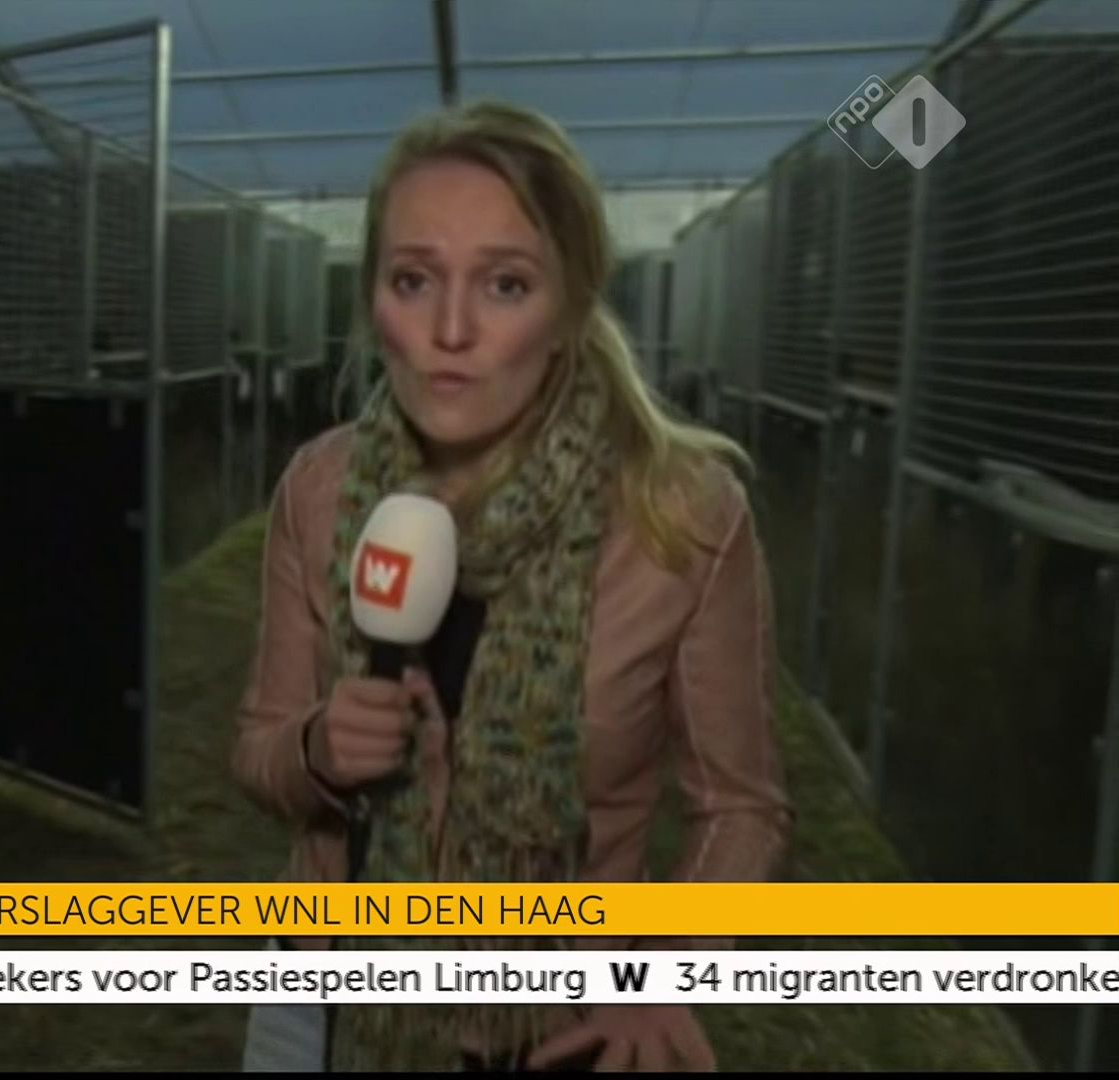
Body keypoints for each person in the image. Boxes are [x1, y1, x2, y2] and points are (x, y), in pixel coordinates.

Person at [231, 100, 792, 1072]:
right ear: (373, 298)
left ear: (569, 306)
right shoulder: (319, 492)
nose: (450, 330)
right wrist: (318, 750)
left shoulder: (684, 516)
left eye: (505, 284)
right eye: (414, 280)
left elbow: (742, 806)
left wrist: (666, 970)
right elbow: (259, 749)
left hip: (560, 1028)